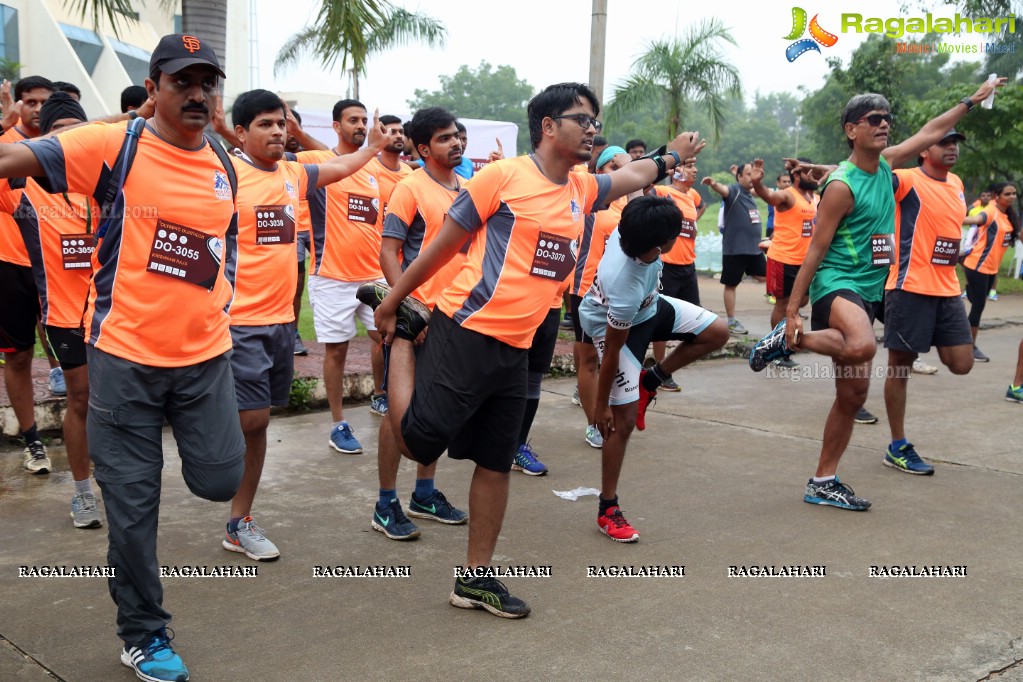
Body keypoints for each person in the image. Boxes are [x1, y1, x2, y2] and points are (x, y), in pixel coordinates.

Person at [368, 82, 704, 617]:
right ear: (548, 126)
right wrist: (397, 302)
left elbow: (636, 174)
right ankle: (406, 338)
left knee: (497, 461)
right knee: (418, 445)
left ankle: (476, 578)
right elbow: (444, 245)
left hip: (519, 346)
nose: (593, 128)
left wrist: (671, 157)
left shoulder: (580, 188)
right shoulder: (502, 177)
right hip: (467, 330)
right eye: (582, 119)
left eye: (596, 120)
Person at [0, 33, 252, 681]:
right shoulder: (112, 145)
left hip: (204, 361)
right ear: (154, 88)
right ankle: (143, 633)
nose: (197, 94)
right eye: (181, 82)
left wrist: (220, 305)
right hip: (123, 363)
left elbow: (221, 245)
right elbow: (13, 161)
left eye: (206, 83)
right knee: (135, 513)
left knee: (221, 479)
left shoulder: (223, 157)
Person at [748, 76, 1004, 512]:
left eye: (887, 118)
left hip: (870, 288)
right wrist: (794, 311)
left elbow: (928, 131)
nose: (884, 124)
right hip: (837, 283)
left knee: (852, 397)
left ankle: (823, 480)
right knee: (863, 345)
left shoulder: (885, 165)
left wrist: (971, 100)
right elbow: (817, 250)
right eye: (873, 119)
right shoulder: (842, 186)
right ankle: (789, 340)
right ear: (851, 129)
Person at [220, 89, 386, 561]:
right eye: (264, 124)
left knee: (259, 423)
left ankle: (239, 520)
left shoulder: (293, 174)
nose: (275, 132)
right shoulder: (228, 175)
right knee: (250, 420)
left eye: (280, 123)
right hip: (237, 321)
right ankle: (230, 501)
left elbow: (336, 169)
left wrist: (372, 148)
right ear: (240, 132)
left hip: (279, 324)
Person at [582, 195, 727, 542]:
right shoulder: (624, 283)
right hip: (613, 327)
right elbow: (613, 351)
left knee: (717, 332)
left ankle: (652, 379)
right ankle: (608, 509)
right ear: (663, 242)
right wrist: (600, 408)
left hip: (650, 308)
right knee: (624, 422)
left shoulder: (632, 230)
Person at [0, 92, 101, 523]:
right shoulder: (23, 189)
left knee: (119, 404)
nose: (69, 145)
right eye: (59, 136)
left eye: (78, 134)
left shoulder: (104, 185)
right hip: (64, 316)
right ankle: (82, 492)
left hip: (112, 313)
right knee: (80, 399)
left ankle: (119, 482)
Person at [373, 105, 468, 540]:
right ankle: (386, 501)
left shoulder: (468, 189)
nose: (457, 143)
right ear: (424, 147)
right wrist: (409, 310)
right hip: (417, 320)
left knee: (436, 411)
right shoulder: (409, 188)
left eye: (458, 136)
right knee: (399, 414)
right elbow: (388, 252)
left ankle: (424, 494)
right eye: (446, 138)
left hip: (455, 319)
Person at [882, 130, 979, 475]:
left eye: (955, 144)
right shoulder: (904, 180)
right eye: (944, 143)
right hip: (909, 286)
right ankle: (897, 445)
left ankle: (929, 336)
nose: (952, 148)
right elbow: (866, 172)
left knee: (962, 362)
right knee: (900, 365)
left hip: (948, 289)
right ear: (923, 151)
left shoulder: (956, 183)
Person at [296, 99, 388, 454]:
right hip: (331, 276)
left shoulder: (373, 169)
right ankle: (338, 424)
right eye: (353, 120)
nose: (361, 125)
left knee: (391, 336)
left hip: (372, 275)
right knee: (337, 352)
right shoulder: (317, 161)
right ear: (336, 126)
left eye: (364, 120)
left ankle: (384, 398)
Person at [0, 75, 56, 474]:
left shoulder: (67, 147)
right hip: (12, 267)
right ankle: (33, 441)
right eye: (29, 101)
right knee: (18, 355)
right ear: (18, 104)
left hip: (61, 266)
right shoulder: (6, 146)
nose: (37, 108)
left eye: (44, 102)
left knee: (83, 355)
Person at [570, 145, 629, 447]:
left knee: (609, 357)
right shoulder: (591, 198)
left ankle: (597, 403)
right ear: (599, 170)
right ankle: (593, 423)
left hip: (617, 293)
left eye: (622, 168)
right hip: (585, 290)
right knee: (590, 359)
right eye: (611, 167)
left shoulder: (624, 204)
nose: (618, 174)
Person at [649, 154, 705, 388]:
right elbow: (645, 189)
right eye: (689, 166)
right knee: (661, 319)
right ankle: (659, 370)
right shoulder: (663, 192)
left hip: (687, 266)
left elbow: (701, 207)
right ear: (676, 170)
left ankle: (662, 368)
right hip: (667, 265)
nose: (694, 170)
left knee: (699, 322)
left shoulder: (692, 195)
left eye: (694, 166)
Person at [750, 158, 818, 338]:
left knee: (802, 301)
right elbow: (769, 196)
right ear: (796, 175)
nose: (813, 176)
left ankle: (789, 333)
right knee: (784, 304)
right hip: (783, 259)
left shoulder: (813, 197)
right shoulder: (787, 195)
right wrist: (757, 183)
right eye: (808, 172)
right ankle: (777, 347)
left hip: (804, 262)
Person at [702, 163, 766, 335]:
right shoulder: (734, 191)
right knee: (731, 285)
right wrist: (713, 184)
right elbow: (723, 190)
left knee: (765, 276)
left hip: (754, 249)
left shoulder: (749, 193)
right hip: (735, 250)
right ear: (739, 177)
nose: (751, 178)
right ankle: (731, 321)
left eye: (752, 174)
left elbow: (761, 190)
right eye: (747, 174)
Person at [961, 181, 1020, 362]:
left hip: (991, 269)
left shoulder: (1008, 215)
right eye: (1007, 194)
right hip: (977, 266)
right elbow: (973, 220)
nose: (1012, 197)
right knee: (978, 306)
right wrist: (951, 215)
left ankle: (954, 317)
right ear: (997, 196)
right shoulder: (991, 212)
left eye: (1014, 194)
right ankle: (970, 347)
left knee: (976, 300)